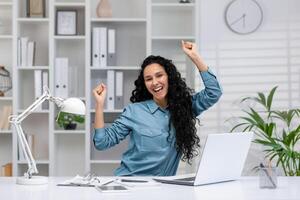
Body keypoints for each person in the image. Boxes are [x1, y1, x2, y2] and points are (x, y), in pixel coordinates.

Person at [92, 41, 222, 176]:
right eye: (148, 79)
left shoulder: (185, 108)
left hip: (163, 188)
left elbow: (214, 93)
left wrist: (195, 57)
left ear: (169, 77)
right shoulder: (134, 111)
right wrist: (99, 104)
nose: (154, 82)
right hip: (130, 184)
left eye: (159, 75)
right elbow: (102, 142)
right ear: (145, 84)